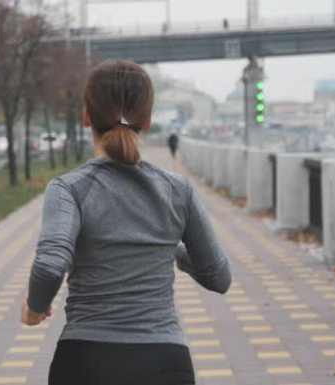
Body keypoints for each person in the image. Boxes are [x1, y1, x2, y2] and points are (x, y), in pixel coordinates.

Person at [21, 60, 232, 385]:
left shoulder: (69, 189)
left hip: (85, 361)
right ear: (147, 121)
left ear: (86, 116)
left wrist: (34, 310)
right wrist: (169, 251)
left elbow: (50, 266)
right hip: (165, 362)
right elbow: (218, 277)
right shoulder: (177, 190)